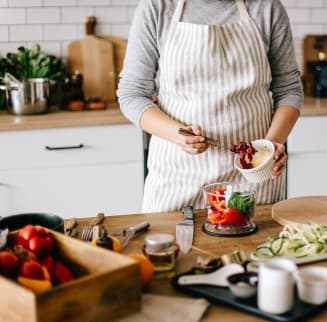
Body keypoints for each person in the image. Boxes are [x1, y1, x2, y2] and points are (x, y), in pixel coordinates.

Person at [117, 0, 303, 212]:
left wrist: (270, 146)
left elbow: (289, 90)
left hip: (253, 181)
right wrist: (177, 134)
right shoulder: (157, 7)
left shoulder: (267, 8)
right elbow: (132, 94)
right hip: (177, 180)